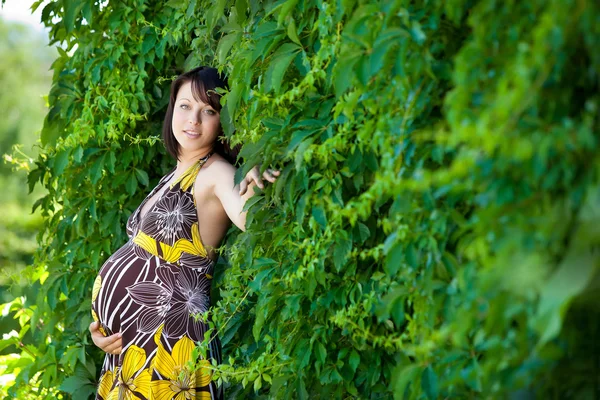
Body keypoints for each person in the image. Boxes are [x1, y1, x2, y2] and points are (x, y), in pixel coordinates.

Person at [88, 66, 279, 400]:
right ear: (172, 108)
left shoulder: (216, 173)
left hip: (171, 348)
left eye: (209, 111)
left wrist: (253, 178)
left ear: (224, 122)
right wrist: (103, 330)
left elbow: (250, 218)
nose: (193, 120)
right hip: (133, 350)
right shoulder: (173, 175)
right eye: (185, 106)